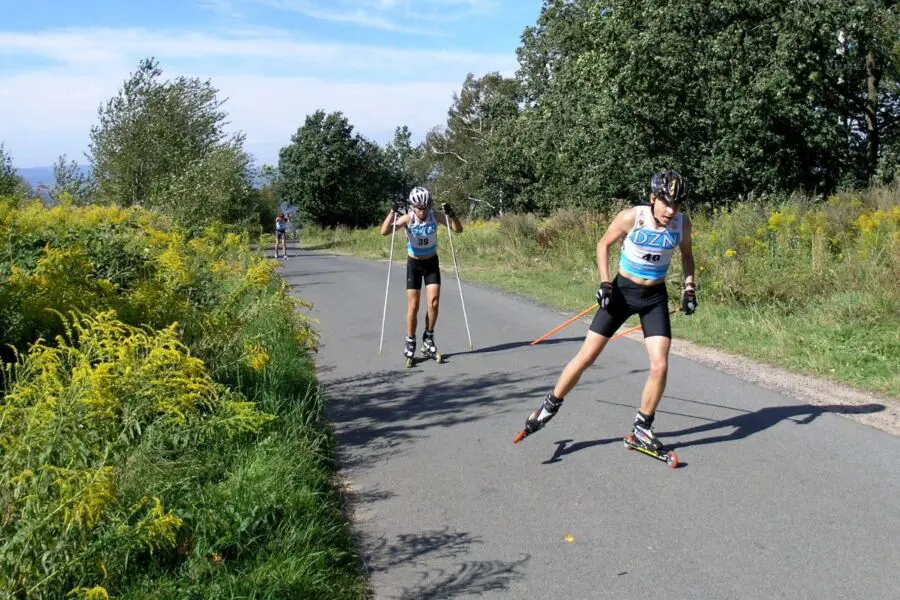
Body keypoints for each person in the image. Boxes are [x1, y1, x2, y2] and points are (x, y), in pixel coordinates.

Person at [519, 170, 697, 451]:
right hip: (622, 292)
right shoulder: (632, 217)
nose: (671, 210)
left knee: (660, 364)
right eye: (666, 203)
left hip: (654, 297)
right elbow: (603, 244)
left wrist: (690, 288)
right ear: (653, 199)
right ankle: (550, 404)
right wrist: (604, 283)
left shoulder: (681, 224)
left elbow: (687, 256)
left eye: (677, 205)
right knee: (587, 356)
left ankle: (642, 427)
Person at [380, 186, 463, 361]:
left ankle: (428, 337)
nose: (422, 211)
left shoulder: (435, 216)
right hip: (414, 264)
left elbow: (458, 229)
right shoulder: (408, 218)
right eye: (419, 208)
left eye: (425, 207)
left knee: (433, 303)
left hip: (432, 262)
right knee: (414, 305)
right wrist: (391, 212)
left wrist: (451, 214)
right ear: (412, 206)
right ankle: (410, 340)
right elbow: (384, 232)